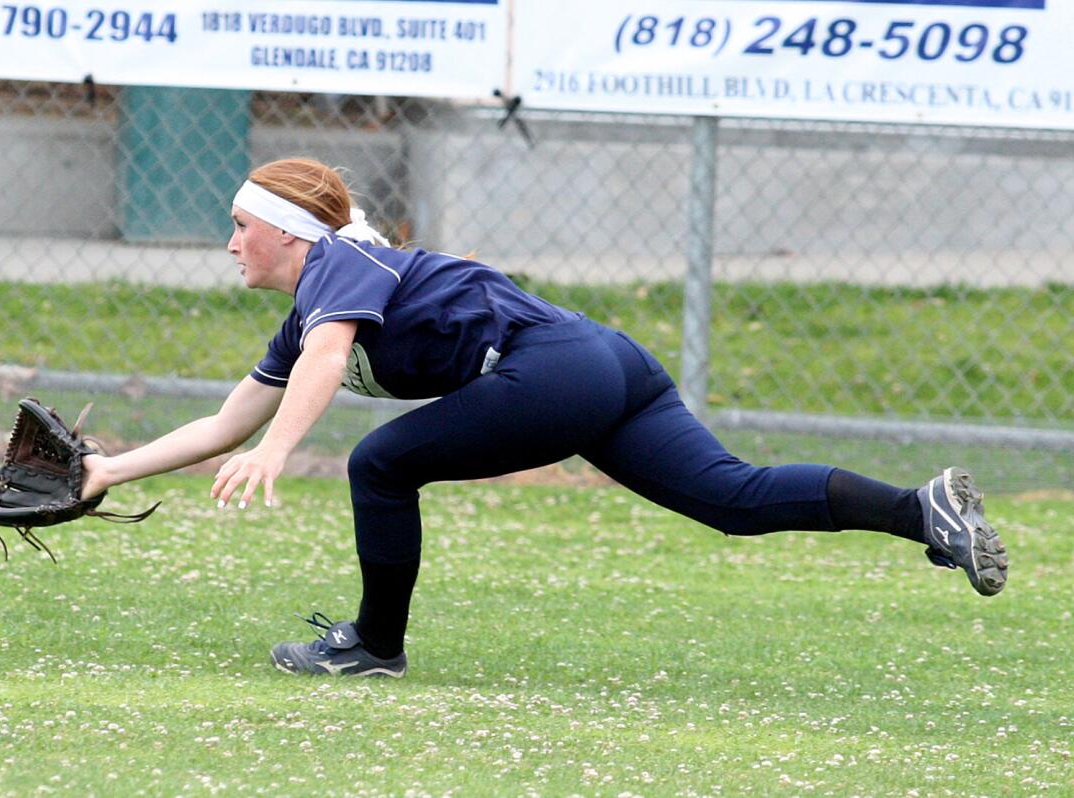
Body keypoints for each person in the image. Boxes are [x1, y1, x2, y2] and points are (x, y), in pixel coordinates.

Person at [79, 157, 1008, 679]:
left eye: (240, 225)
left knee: (379, 464)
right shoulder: (312, 306)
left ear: (287, 231)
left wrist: (285, 449)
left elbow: (324, 367)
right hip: (598, 360)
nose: (230, 242)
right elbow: (225, 423)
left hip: (554, 368)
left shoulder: (339, 263)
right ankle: (919, 512)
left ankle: (374, 646)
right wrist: (107, 472)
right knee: (734, 497)